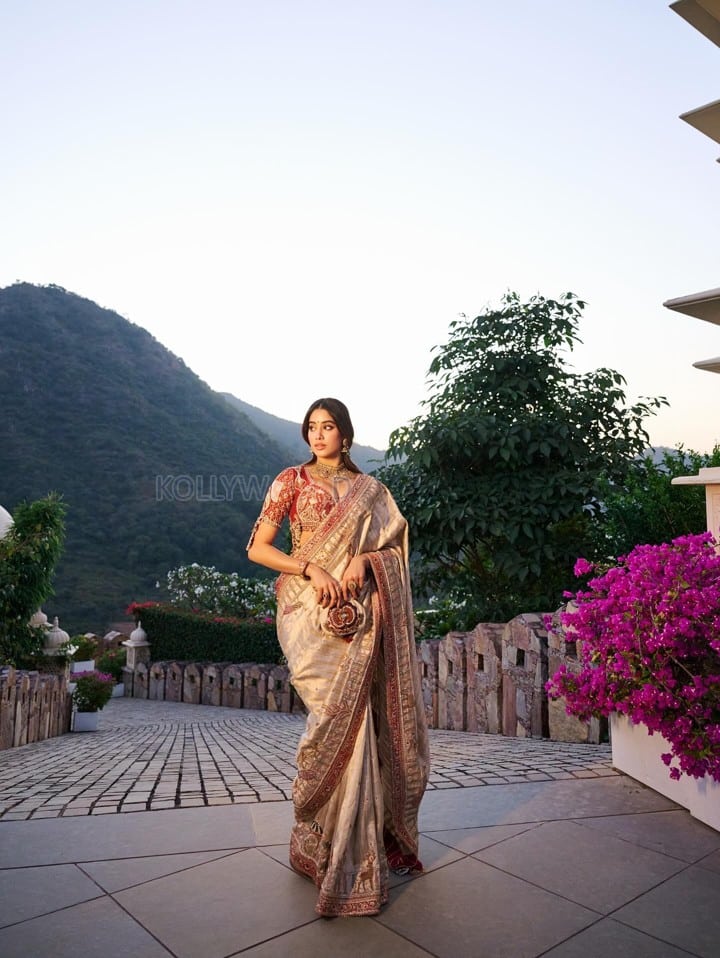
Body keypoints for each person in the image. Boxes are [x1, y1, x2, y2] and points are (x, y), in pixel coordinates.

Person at [247, 397, 430, 917]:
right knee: (329, 718)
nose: (318, 435)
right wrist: (311, 569)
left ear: (345, 435)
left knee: (361, 722)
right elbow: (259, 548)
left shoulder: (371, 492)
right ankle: (317, 839)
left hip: (360, 616)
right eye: (311, 427)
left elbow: (393, 547)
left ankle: (357, 853)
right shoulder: (290, 480)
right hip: (305, 612)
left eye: (327, 427)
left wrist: (365, 561)